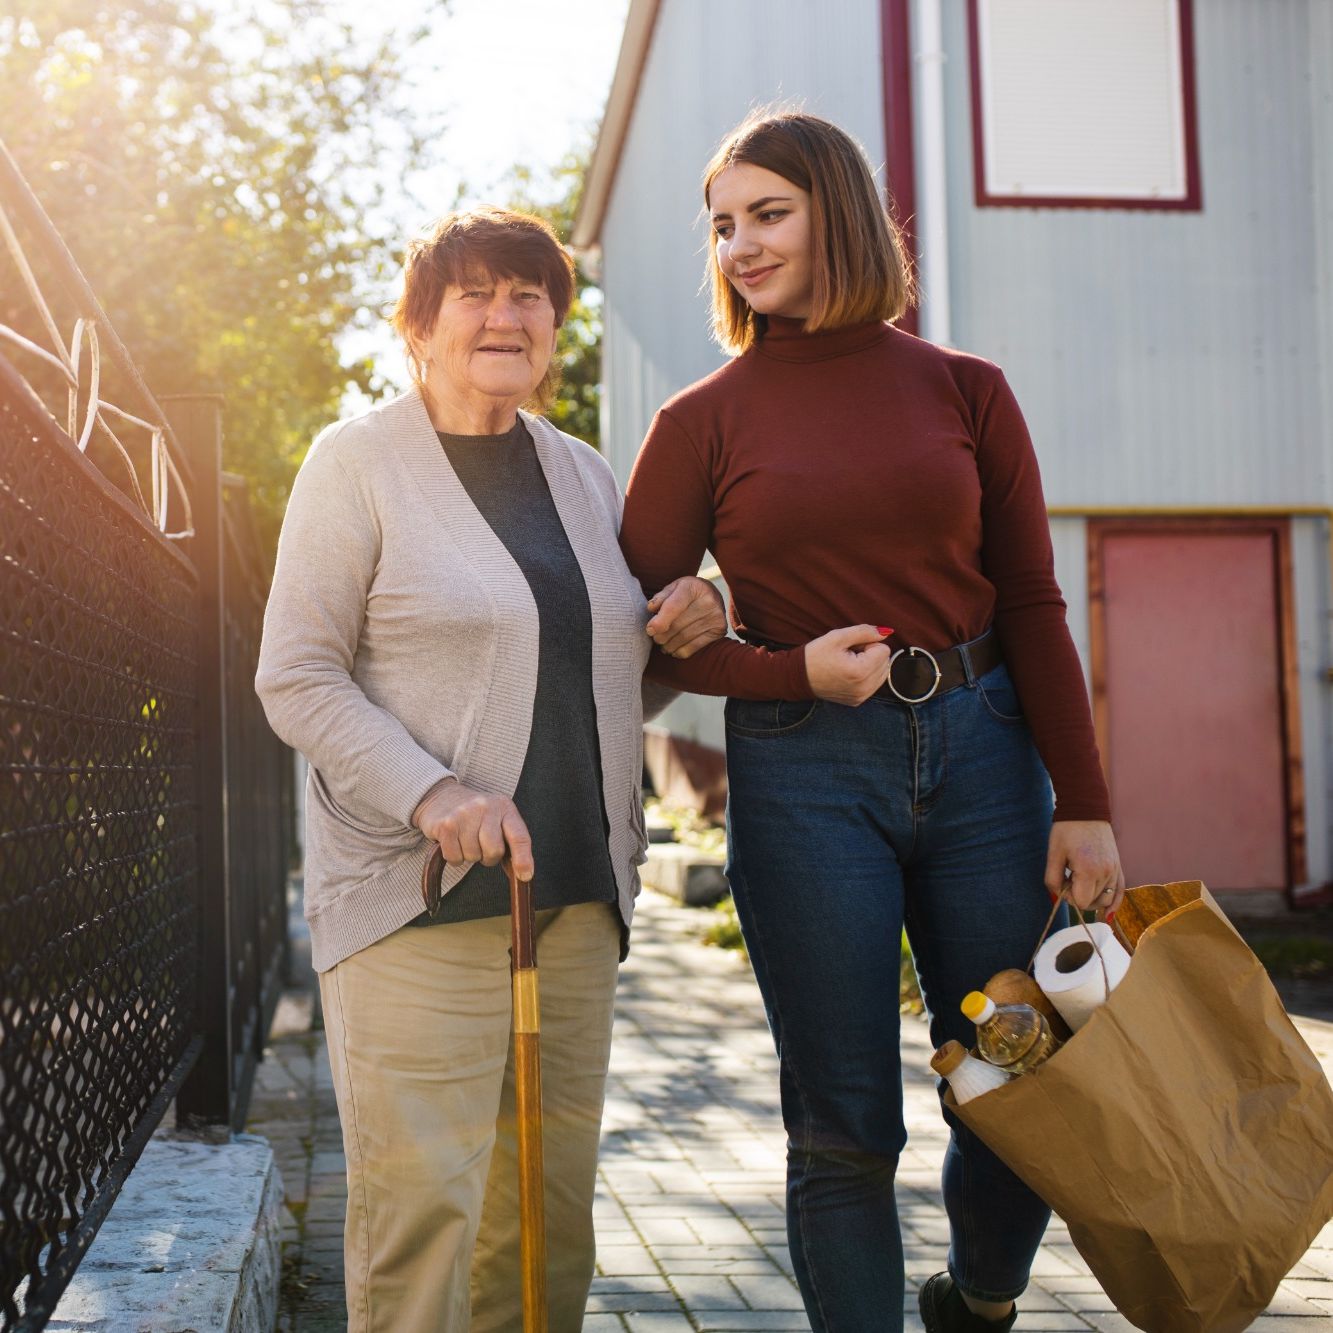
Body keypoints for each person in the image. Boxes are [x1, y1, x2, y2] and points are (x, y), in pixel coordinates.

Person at [618, 112, 1125, 1333]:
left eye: (767, 214)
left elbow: (1034, 602)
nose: (739, 244)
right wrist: (781, 667)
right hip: (805, 784)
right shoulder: (700, 421)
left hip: (988, 764)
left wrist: (1089, 801)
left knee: (1015, 1082)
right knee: (842, 1120)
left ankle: (981, 1300)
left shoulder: (968, 390)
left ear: (836, 210)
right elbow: (632, 640)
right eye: (723, 224)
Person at [255, 205, 724, 1333]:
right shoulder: (355, 462)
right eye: (473, 294)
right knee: (426, 1224)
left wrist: (705, 612)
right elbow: (296, 676)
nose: (505, 315)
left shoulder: (583, 475)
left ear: (555, 325)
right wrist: (434, 791)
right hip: (417, 905)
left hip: (571, 906)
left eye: (530, 296)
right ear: (419, 326)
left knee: (548, 1227)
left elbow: (601, 676)